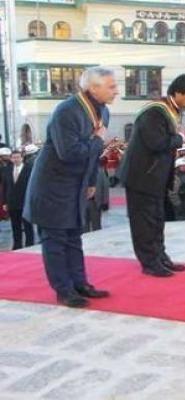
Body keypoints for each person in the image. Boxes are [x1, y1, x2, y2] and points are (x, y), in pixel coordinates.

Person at [23, 67, 117, 308]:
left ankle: (80, 283)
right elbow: (70, 153)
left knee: (74, 236)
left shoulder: (103, 111)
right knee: (55, 239)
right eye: (111, 86)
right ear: (92, 88)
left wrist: (91, 181)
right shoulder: (67, 111)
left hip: (77, 184)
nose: (116, 91)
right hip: (53, 185)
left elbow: (93, 154)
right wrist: (96, 139)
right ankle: (63, 290)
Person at [118, 74, 185, 278]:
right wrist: (179, 139)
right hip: (141, 177)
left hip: (155, 177)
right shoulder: (155, 112)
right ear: (178, 92)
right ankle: (149, 262)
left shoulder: (171, 110)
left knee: (156, 219)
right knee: (144, 222)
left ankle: (160, 256)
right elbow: (156, 142)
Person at [1, 150, 34, 249]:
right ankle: (17, 244)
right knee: (15, 226)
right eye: (14, 157)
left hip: (25, 202)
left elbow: (32, 186)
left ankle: (30, 244)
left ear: (22, 158)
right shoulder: (7, 170)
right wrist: (5, 202)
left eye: (18, 157)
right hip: (12, 202)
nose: (16, 159)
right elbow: (5, 187)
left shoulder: (29, 169)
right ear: (11, 159)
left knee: (27, 225)